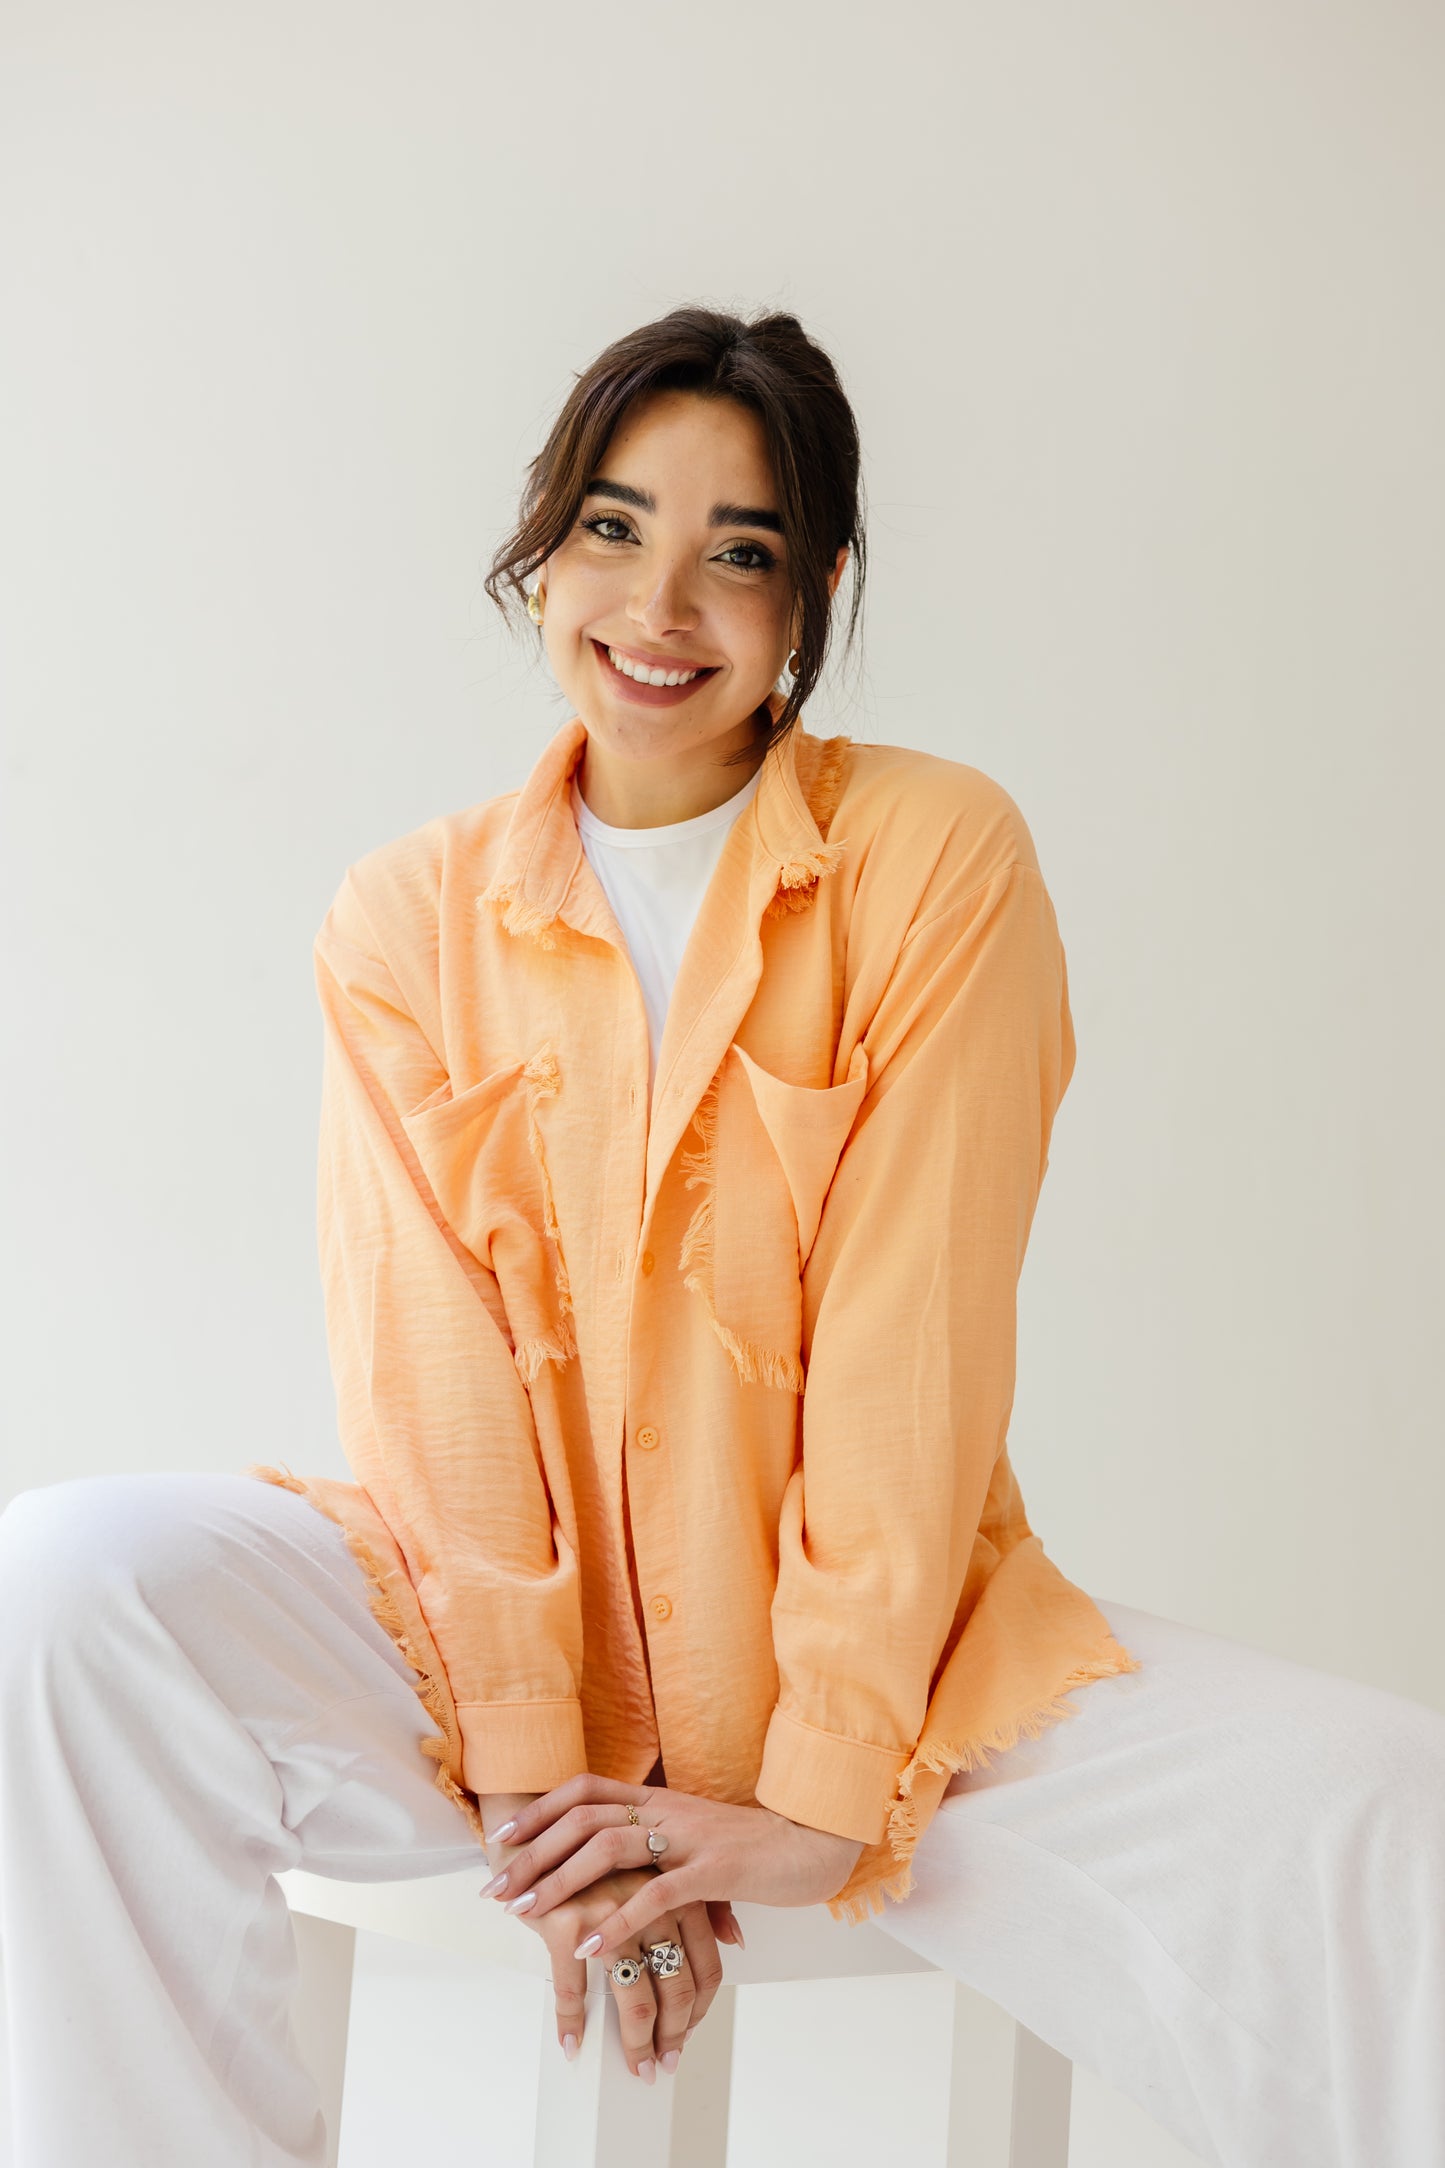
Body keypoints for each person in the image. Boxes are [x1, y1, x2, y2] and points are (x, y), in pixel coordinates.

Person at [1, 306, 1441, 2168]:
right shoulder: (403, 918)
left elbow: (907, 1346)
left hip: (885, 1668)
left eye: (736, 552)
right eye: (610, 529)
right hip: (478, 1659)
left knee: (1389, 1809)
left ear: (812, 592)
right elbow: (433, 1377)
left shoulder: (934, 855)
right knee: (62, 1589)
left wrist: (822, 1796)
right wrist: (546, 1797)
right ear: (542, 555)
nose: (659, 603)